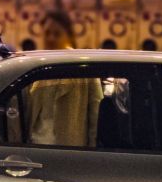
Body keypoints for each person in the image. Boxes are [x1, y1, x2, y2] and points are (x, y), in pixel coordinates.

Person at [25, 10, 103, 147]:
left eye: (57, 34)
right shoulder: (36, 67)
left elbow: (95, 116)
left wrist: (92, 151)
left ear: (68, 35)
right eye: (47, 33)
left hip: (69, 149)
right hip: (37, 146)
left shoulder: (83, 67)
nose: (51, 38)